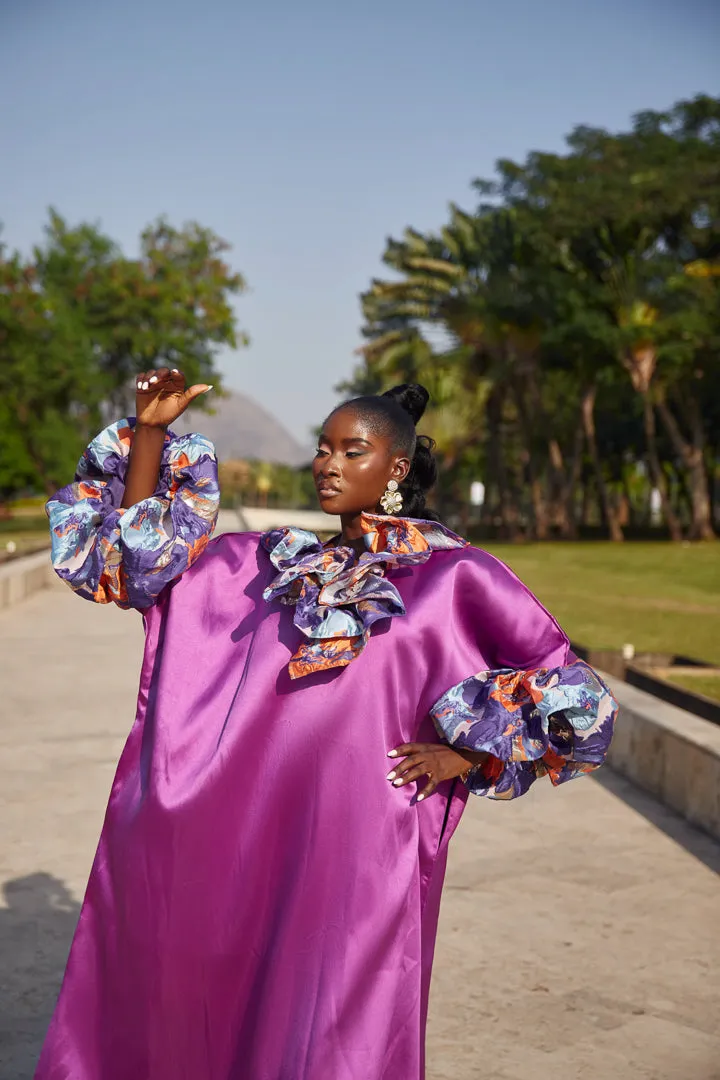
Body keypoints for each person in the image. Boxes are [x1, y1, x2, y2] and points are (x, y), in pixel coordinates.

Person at [37, 369, 617, 1080]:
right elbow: (136, 571)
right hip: (248, 828)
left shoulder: (457, 578)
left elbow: (578, 701)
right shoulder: (265, 564)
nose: (328, 464)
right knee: (215, 998)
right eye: (323, 447)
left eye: (353, 451)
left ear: (396, 468)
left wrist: (469, 757)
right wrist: (152, 434)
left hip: (364, 838)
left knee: (339, 1025)